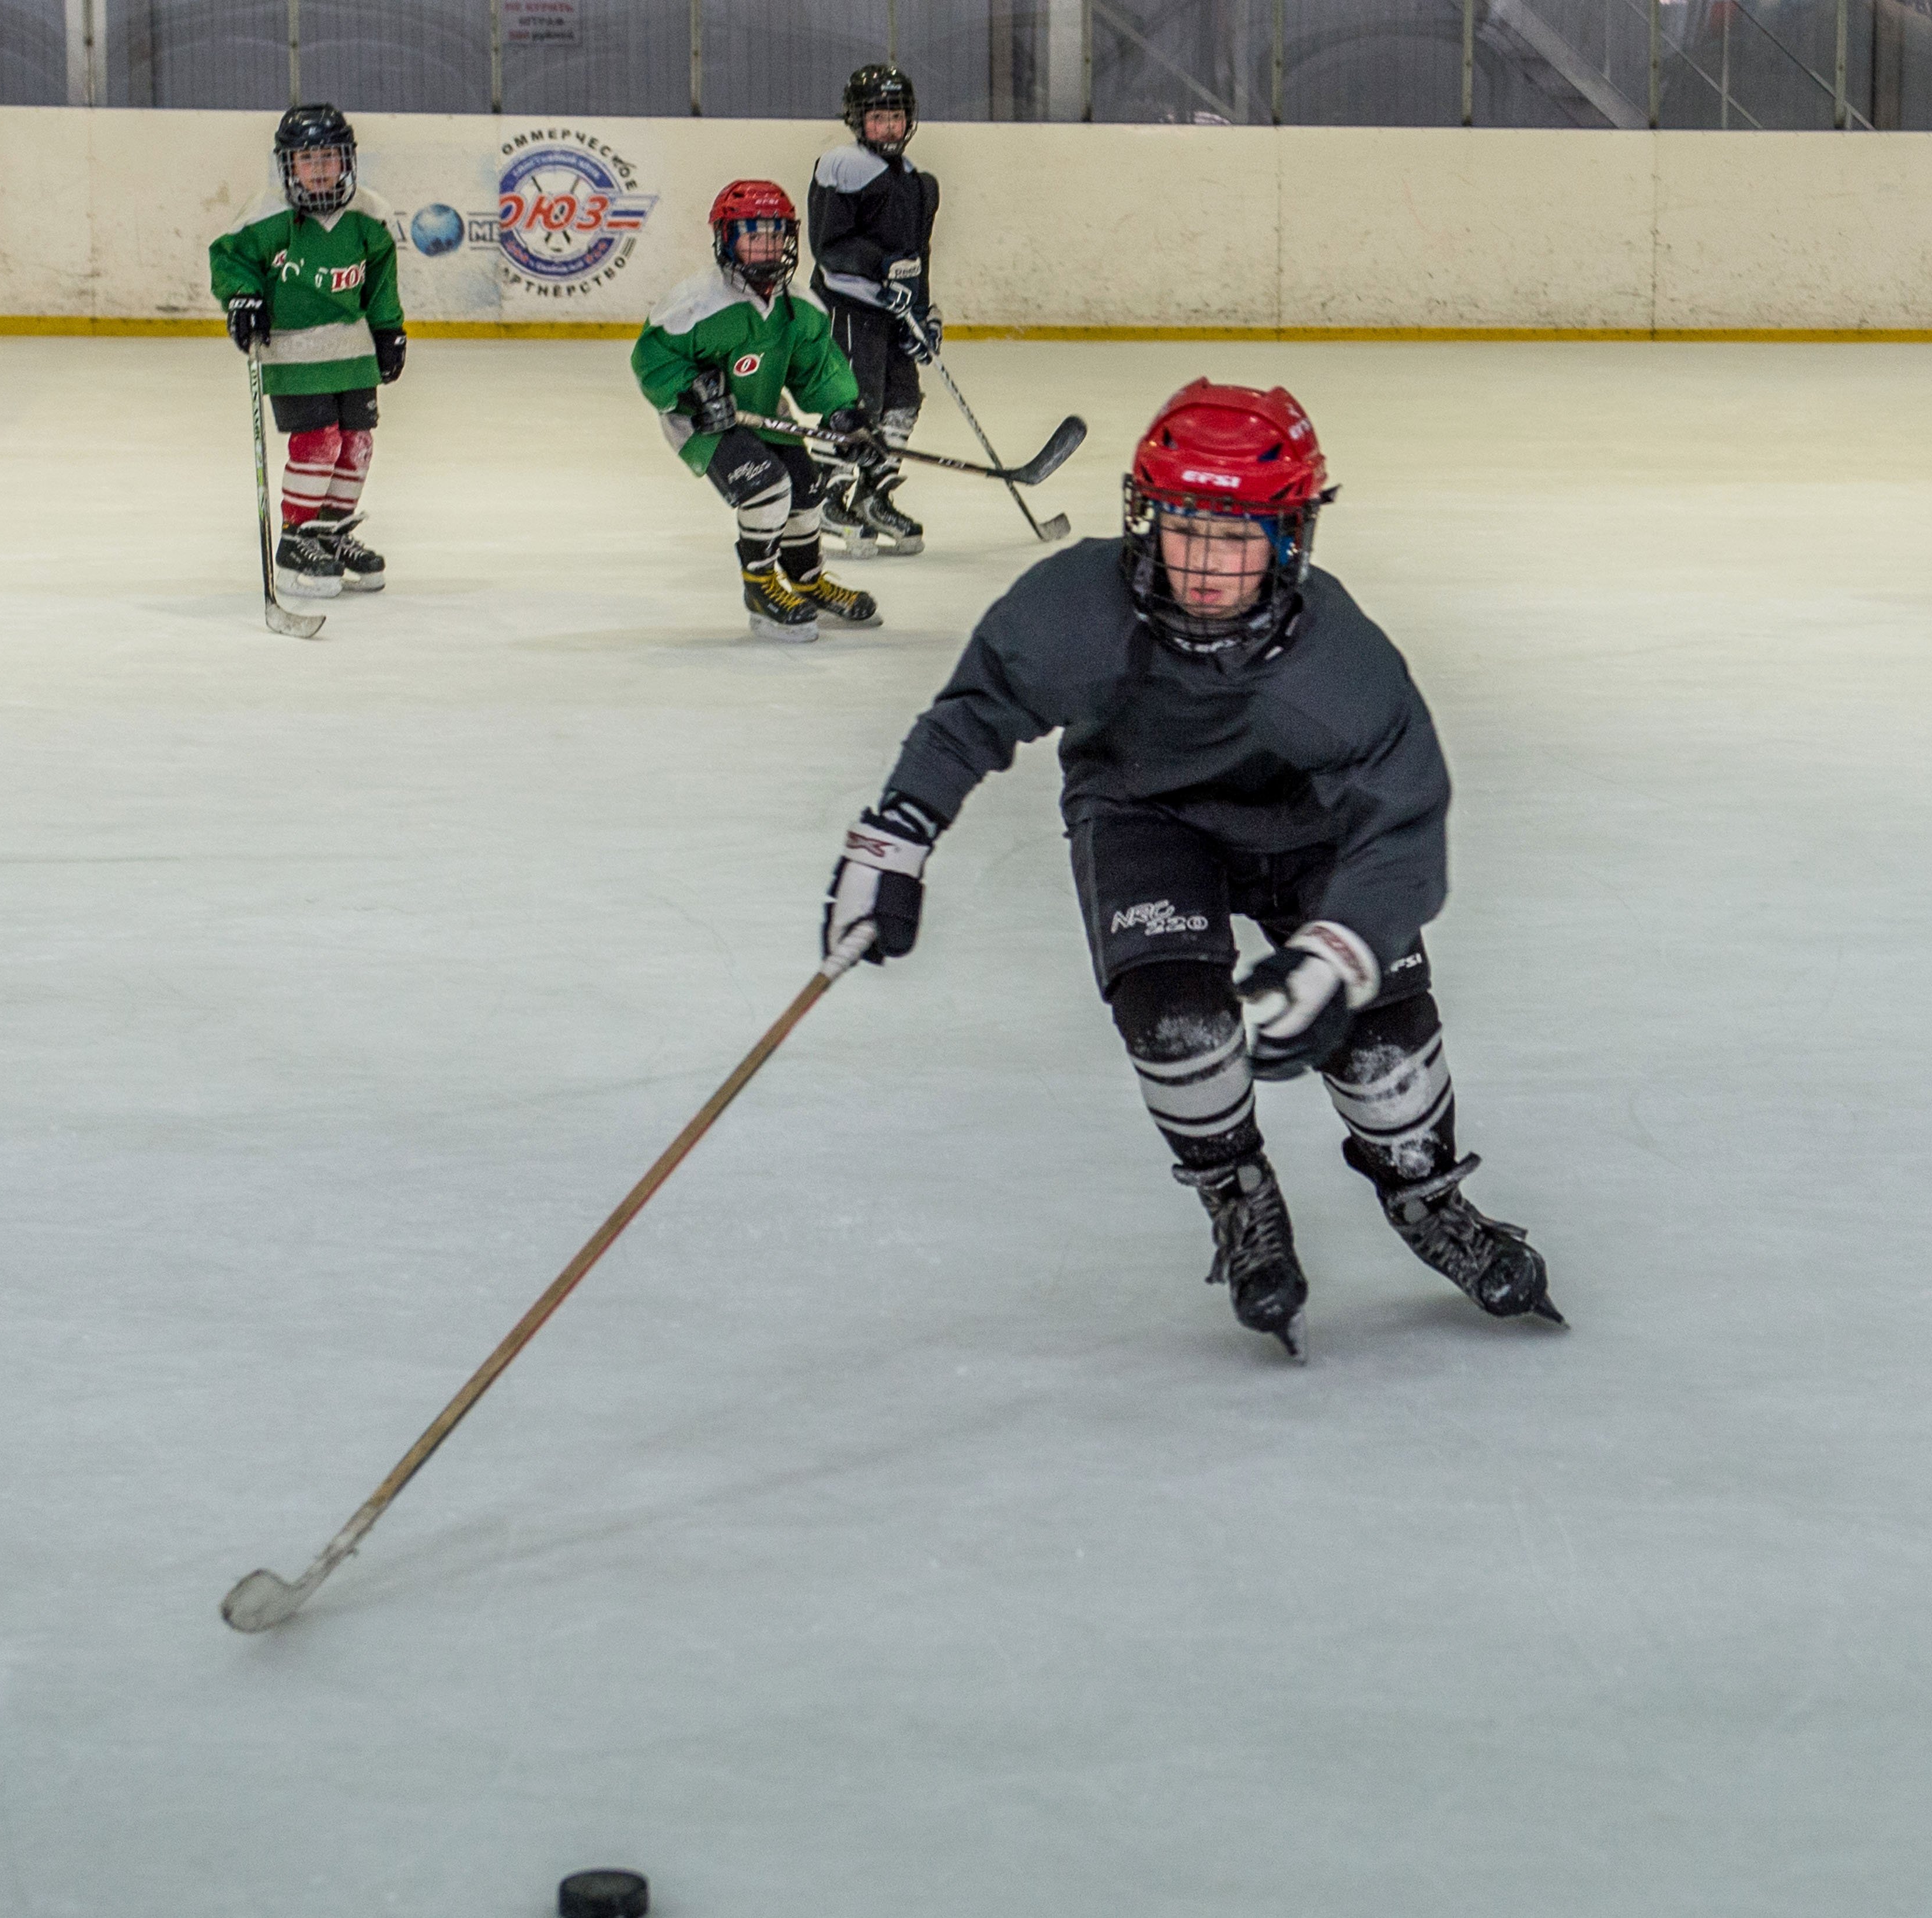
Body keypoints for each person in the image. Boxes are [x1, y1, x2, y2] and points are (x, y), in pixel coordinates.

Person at [820, 379, 1560, 1358]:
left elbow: (1404, 825)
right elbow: (976, 710)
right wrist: (894, 836)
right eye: (1184, 528)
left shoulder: (1341, 665)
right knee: (1175, 1025)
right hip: (1144, 812)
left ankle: (1425, 1195)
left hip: (1306, 831)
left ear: (1292, 537)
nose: (1205, 568)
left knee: (1383, 1058)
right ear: (1144, 517)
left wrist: (1337, 956)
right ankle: (1234, 1189)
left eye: (1238, 536)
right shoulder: (1072, 608)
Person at [629, 180, 885, 643]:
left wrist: (845, 416)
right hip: (700, 422)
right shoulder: (695, 304)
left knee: (807, 492)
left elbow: (818, 371)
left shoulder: (800, 307)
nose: (767, 246)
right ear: (726, 240)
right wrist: (692, 388)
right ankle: (761, 588)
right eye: (752, 235)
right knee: (766, 487)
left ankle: (807, 583)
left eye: (775, 234)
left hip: (766, 411)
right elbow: (651, 359)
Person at [208, 103, 404, 598]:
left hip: (352, 347)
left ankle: (333, 533)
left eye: (329, 158)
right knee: (319, 442)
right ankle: (298, 538)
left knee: (357, 444)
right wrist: (242, 297)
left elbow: (381, 283)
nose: (319, 170)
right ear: (288, 165)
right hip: (292, 350)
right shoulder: (267, 215)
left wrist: (389, 331)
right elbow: (230, 258)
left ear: (348, 161)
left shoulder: (369, 215)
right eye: (307, 160)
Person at [807, 63, 939, 557]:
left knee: (902, 399)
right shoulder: (841, 166)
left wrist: (923, 314)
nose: (888, 127)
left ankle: (873, 494)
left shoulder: (920, 183)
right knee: (855, 402)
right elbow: (829, 248)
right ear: (857, 120)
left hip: (892, 313)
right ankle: (827, 493)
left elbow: (918, 258)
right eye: (877, 117)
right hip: (848, 307)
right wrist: (881, 270)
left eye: (896, 116)